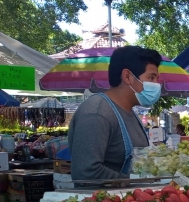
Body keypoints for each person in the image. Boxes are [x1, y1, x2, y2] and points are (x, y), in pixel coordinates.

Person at [68, 46, 161, 180]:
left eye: (157, 79)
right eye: (151, 78)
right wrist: (135, 183)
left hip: (130, 198)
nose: (156, 84)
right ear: (127, 76)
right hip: (103, 199)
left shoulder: (131, 113)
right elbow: (86, 172)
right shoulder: (97, 113)